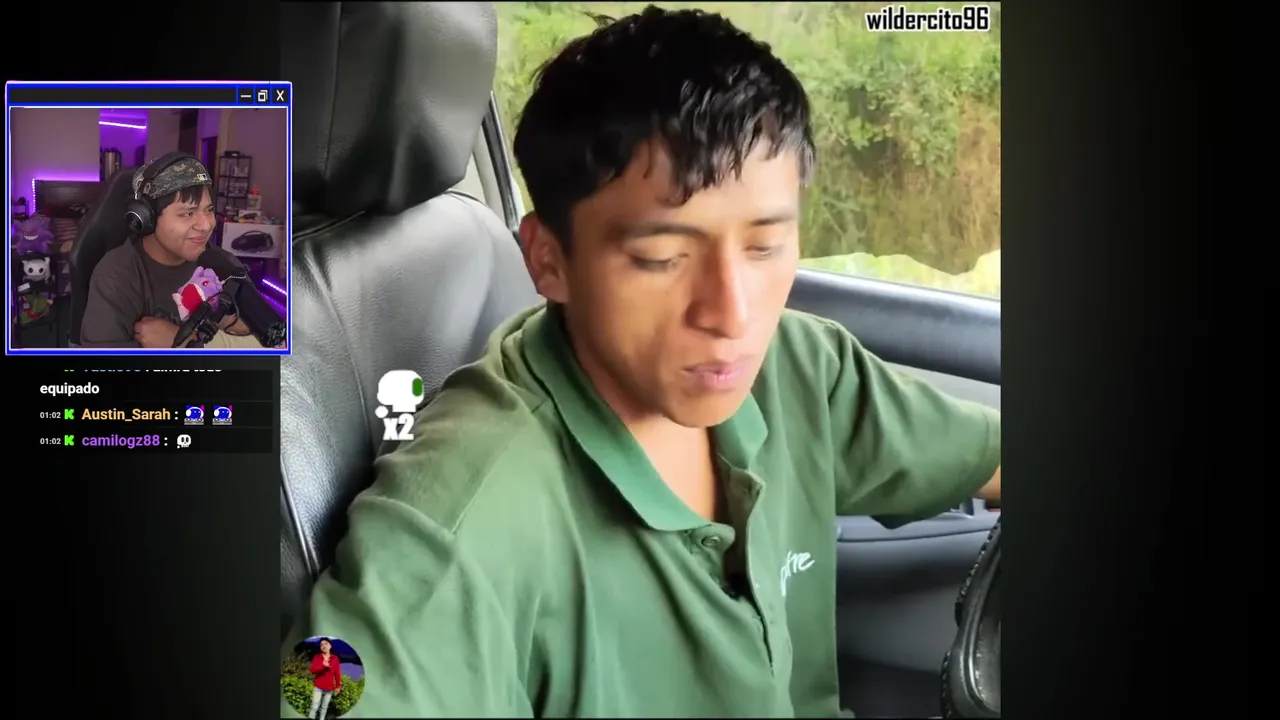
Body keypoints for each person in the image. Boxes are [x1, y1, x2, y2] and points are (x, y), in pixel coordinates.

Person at [281, 7, 1001, 718]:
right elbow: (321, 689)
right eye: (661, 258)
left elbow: (990, 456)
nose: (733, 314)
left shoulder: (801, 369)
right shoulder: (459, 523)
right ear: (548, 261)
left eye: (764, 246)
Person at [79, 154, 263, 349]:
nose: (207, 225)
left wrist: (184, 342)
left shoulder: (226, 266)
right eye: (187, 213)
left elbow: (271, 348)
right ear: (147, 219)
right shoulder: (116, 276)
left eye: (209, 210)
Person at [307, 638, 342, 719]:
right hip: (318, 686)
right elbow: (313, 670)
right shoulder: (317, 657)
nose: (323, 646)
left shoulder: (335, 658)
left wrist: (338, 686)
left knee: (324, 708)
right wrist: (322, 666)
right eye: (321, 644)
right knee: (314, 706)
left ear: (330, 646)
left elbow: (337, 673)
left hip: (329, 687)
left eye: (326, 643)